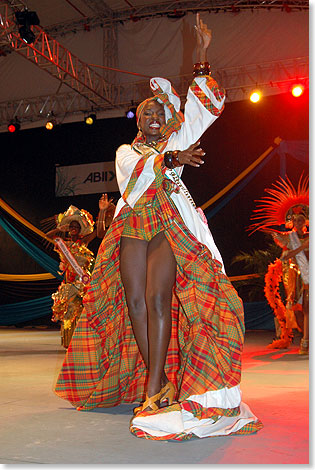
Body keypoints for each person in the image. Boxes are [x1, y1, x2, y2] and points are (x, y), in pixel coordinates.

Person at [55, 14, 262, 440]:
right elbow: (134, 176)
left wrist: (202, 55)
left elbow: (202, 111)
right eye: (146, 110)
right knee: (134, 302)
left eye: (158, 111)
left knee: (156, 297)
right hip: (133, 223)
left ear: (166, 118)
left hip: (169, 220)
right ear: (138, 119)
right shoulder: (126, 151)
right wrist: (170, 160)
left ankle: (153, 387)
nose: (152, 114)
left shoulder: (176, 139)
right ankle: (160, 378)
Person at [250, 176, 309, 354]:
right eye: (296, 220)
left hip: (310, 277)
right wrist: (301, 248)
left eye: (301, 220)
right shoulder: (290, 238)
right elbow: (284, 256)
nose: (298, 223)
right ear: (292, 222)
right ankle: (306, 336)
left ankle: (306, 341)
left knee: (307, 306)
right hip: (295, 277)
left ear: (306, 222)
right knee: (298, 312)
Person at [48, 194, 115, 348]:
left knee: (80, 310)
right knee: (68, 311)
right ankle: (68, 341)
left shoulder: (84, 242)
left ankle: (79, 341)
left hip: (82, 282)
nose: (73, 229)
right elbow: (48, 236)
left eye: (76, 227)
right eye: (71, 227)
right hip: (68, 282)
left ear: (80, 229)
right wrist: (59, 228)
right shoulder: (62, 244)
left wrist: (102, 216)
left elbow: (98, 234)